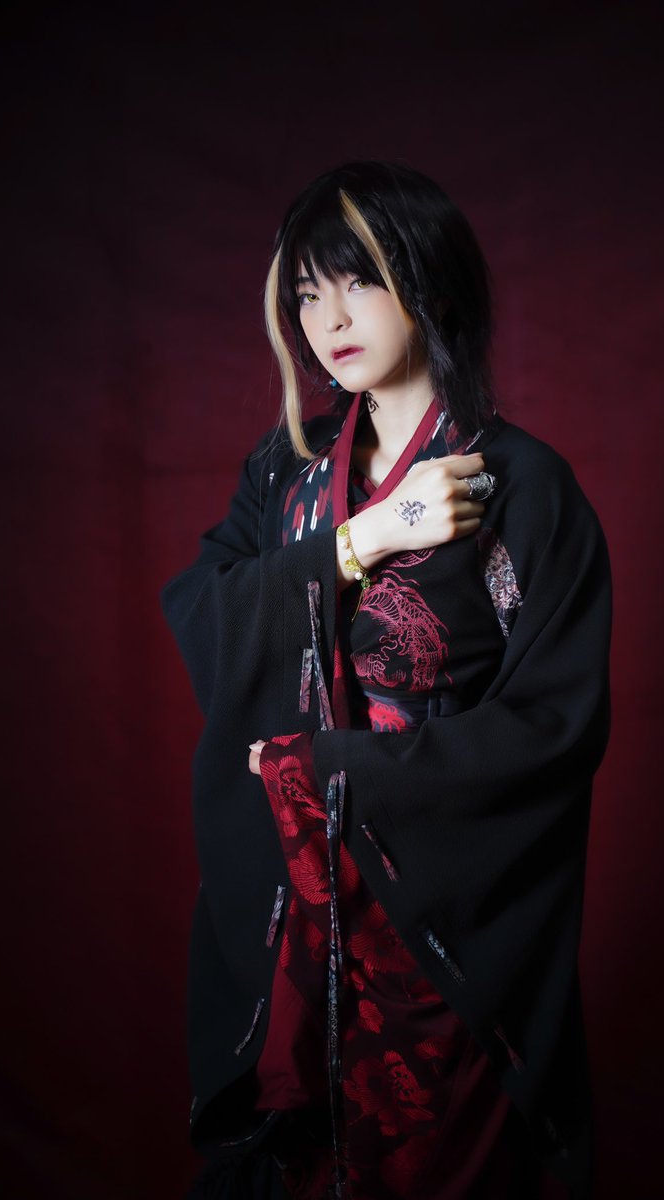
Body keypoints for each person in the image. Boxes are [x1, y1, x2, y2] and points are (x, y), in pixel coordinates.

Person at [161, 160, 612, 1200]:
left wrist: (335, 771)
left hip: (436, 919)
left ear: (427, 276)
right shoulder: (284, 472)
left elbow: (554, 724)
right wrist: (365, 538)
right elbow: (202, 617)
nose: (328, 320)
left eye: (357, 280)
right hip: (299, 907)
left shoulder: (522, 487)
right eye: (306, 294)